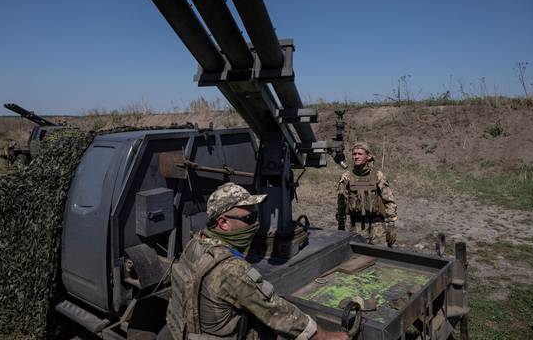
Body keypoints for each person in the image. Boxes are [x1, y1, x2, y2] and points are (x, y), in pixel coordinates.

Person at [162, 182, 349, 340]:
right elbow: (276, 311)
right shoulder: (231, 269)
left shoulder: (195, 243)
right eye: (249, 218)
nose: (255, 224)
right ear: (223, 223)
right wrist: (324, 336)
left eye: (256, 216)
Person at [336, 142, 398, 247]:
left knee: (381, 254)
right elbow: (341, 202)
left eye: (360, 154)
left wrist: (391, 224)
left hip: (377, 224)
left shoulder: (378, 175)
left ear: (368, 156)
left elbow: (388, 200)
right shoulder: (347, 177)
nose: (356, 157)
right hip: (357, 224)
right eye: (354, 154)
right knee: (357, 254)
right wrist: (341, 224)